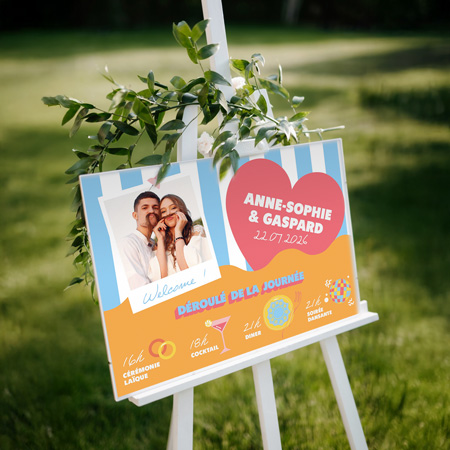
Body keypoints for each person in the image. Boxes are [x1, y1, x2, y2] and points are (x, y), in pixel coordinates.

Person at [150, 194, 211, 280]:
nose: (168, 213)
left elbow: (187, 268)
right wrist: (160, 239)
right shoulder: (159, 246)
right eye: (163, 211)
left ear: (182, 210)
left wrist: (178, 231)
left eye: (173, 208)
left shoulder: (196, 231)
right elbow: (161, 277)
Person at [120, 191, 160, 290]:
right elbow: (139, 287)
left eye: (155, 207)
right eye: (145, 208)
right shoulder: (128, 243)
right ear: (135, 215)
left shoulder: (157, 243)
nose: (151, 211)